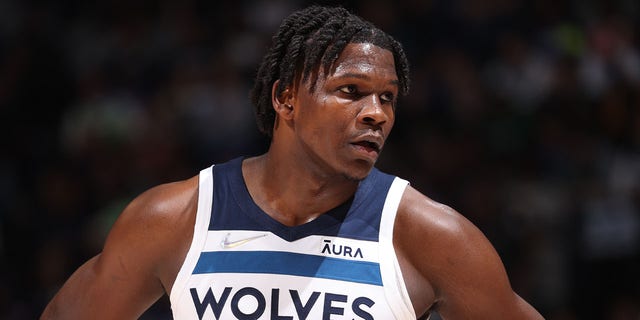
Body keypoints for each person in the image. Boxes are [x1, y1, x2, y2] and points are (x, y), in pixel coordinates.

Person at [41, 5, 544, 320]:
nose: (376, 114)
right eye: (351, 92)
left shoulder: (429, 235)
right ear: (286, 100)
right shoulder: (175, 218)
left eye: (388, 98)